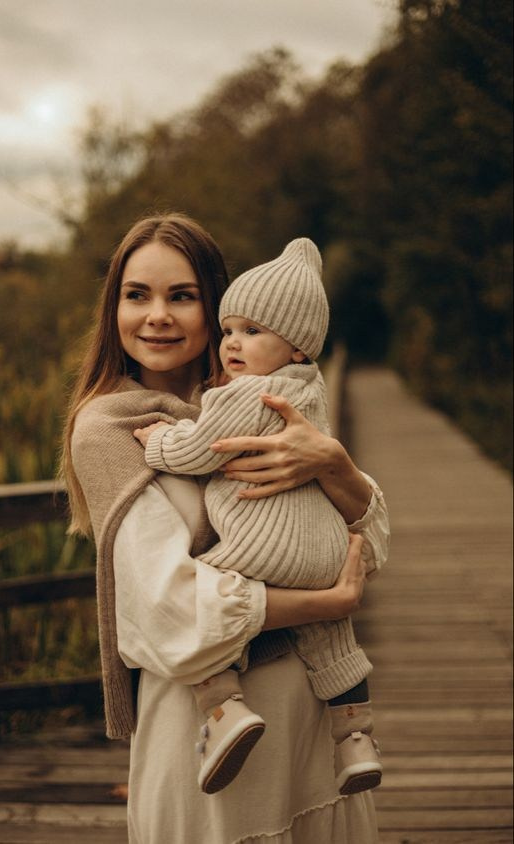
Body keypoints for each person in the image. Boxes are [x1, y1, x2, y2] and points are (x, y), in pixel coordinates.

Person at [62, 212, 390, 843]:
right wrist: (331, 602)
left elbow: (362, 541)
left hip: (310, 712)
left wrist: (334, 463)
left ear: (214, 309)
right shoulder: (109, 430)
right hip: (209, 720)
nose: (157, 314)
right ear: (115, 308)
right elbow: (169, 605)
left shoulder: (263, 397)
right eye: (138, 295)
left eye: (181, 296)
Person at [136, 238, 382, 797]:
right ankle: (356, 738)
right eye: (229, 331)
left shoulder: (244, 394)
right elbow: (364, 509)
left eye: (252, 332)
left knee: (204, 596)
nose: (232, 345)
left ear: (298, 348)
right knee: (332, 639)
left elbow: (200, 449)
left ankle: (223, 710)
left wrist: (158, 442)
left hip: (263, 545)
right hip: (322, 550)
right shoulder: (309, 390)